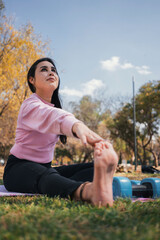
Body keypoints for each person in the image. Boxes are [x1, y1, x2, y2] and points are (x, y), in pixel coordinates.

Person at [3, 57, 118, 207]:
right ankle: (88, 191)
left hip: (45, 168)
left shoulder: (55, 108)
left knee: (90, 167)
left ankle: (86, 183)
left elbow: (55, 115)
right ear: (32, 80)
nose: (50, 73)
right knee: (47, 177)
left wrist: (101, 143)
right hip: (17, 170)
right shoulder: (30, 105)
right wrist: (77, 125)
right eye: (44, 70)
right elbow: (52, 117)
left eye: (53, 70)